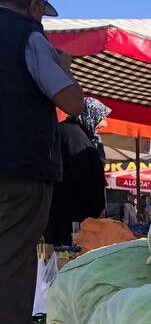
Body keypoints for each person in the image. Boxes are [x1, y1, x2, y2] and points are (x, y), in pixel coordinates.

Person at [0, 0, 84, 324]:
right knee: (13, 257)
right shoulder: (29, 36)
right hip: (20, 165)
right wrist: (63, 65)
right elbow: (72, 103)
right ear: (34, 7)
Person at [47, 96, 109, 245]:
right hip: (72, 220)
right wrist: (98, 208)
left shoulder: (65, 131)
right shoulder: (76, 138)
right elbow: (87, 179)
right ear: (89, 114)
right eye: (101, 117)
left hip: (54, 214)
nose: (104, 124)